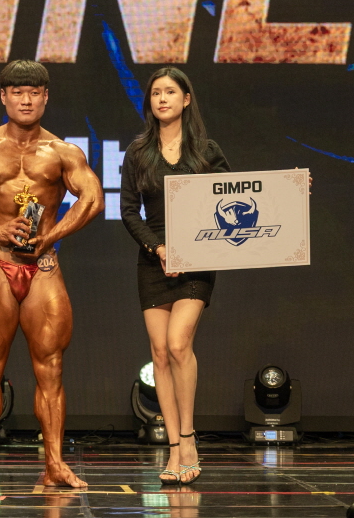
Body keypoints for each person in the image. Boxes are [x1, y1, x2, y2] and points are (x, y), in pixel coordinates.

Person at [0, 60, 103, 488]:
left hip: (42, 266)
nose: (25, 100)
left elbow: (92, 199)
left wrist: (51, 236)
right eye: (17, 92)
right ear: (3, 96)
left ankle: (55, 466)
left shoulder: (64, 152)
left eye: (34, 93)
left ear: (45, 97)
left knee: (51, 368)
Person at [120, 68, 229, 485]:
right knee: (160, 353)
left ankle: (188, 439)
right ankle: (171, 448)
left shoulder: (206, 150)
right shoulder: (138, 152)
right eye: (155, 93)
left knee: (179, 343)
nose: (162, 99)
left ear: (186, 99)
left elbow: (238, 195)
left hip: (197, 257)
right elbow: (129, 210)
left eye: (170, 92)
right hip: (155, 259)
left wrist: (290, 192)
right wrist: (158, 248)